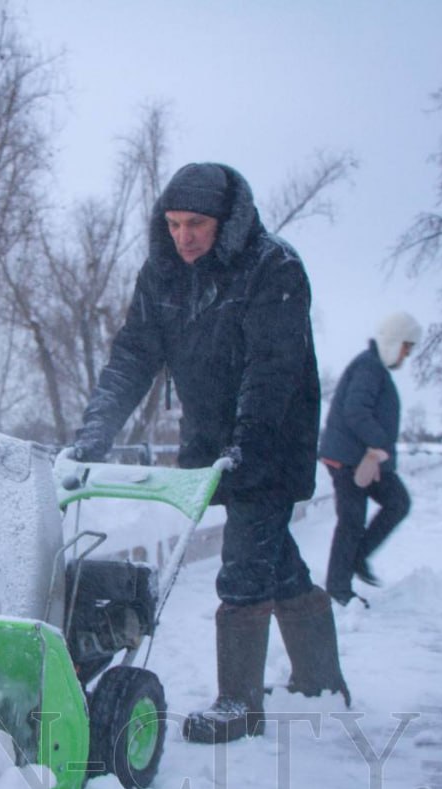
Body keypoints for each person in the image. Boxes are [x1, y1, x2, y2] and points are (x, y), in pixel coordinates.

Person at [69, 162, 348, 745]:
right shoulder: (164, 275)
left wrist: (247, 443)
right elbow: (133, 356)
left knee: (246, 561)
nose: (183, 237)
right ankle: (321, 680)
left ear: (228, 222)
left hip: (270, 442)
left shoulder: (275, 268)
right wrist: (95, 432)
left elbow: (272, 369)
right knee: (278, 561)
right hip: (214, 444)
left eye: (196, 224)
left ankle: (240, 706)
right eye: (172, 225)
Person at [319, 312, 421, 608]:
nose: (407, 354)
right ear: (394, 341)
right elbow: (355, 410)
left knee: (396, 502)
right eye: (406, 346)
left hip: (364, 459)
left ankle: (357, 558)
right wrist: (381, 441)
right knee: (351, 521)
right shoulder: (368, 367)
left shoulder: (374, 367)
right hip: (348, 458)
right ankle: (338, 589)